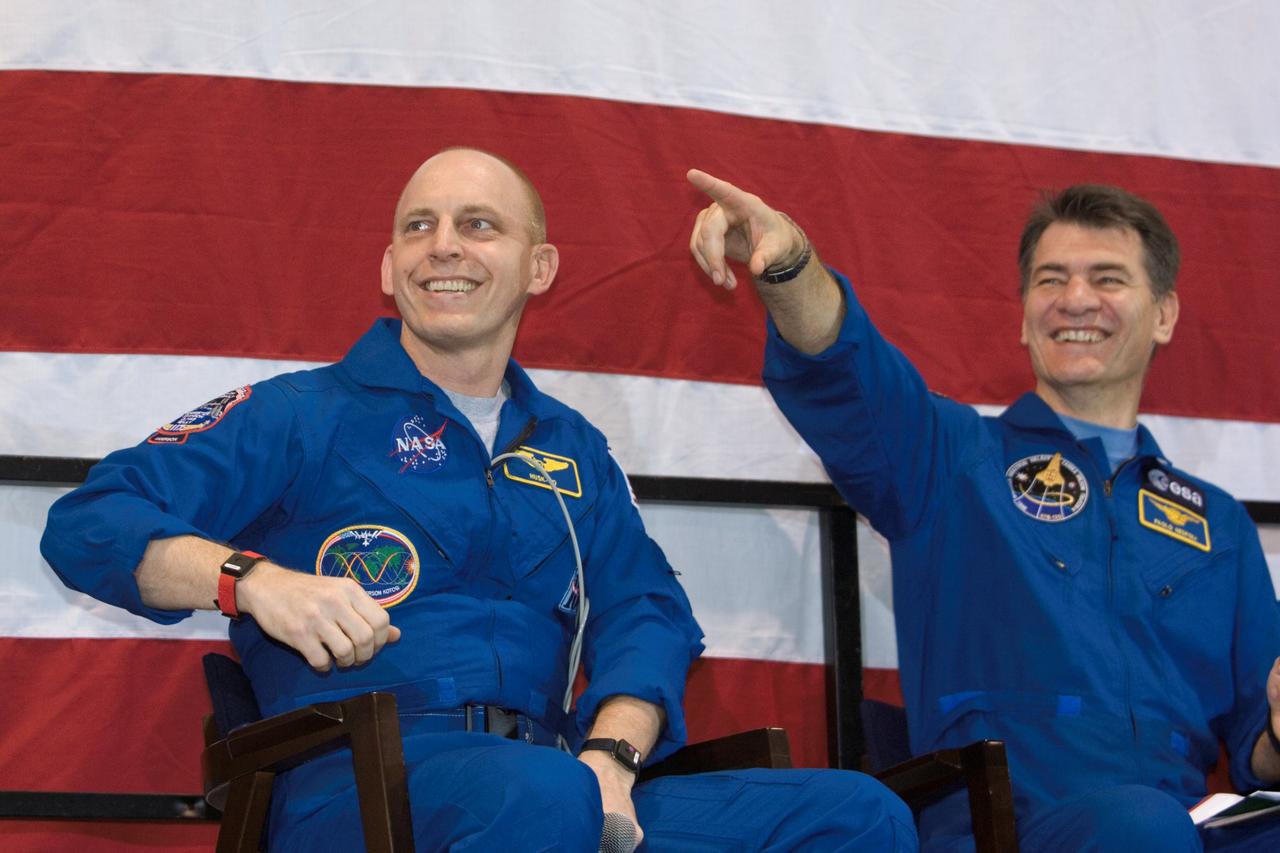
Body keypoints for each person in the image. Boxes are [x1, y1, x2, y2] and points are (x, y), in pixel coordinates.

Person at [40, 148, 916, 852]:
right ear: (389, 267)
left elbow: (648, 611)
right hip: (361, 785)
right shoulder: (298, 415)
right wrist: (251, 579)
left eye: (478, 225)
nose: (443, 245)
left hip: (559, 779)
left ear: (540, 267)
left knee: (855, 814)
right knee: (538, 796)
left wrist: (613, 753)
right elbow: (90, 523)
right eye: (418, 226)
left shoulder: (571, 449)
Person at [685, 170, 1280, 852]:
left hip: (1186, 822)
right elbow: (847, 374)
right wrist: (789, 265)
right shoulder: (950, 457)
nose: (1075, 299)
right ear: (1025, 312)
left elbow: (1259, 753)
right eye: (1051, 279)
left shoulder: (1220, 525)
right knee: (1141, 825)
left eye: (1108, 278)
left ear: (1165, 313)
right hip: (1005, 824)